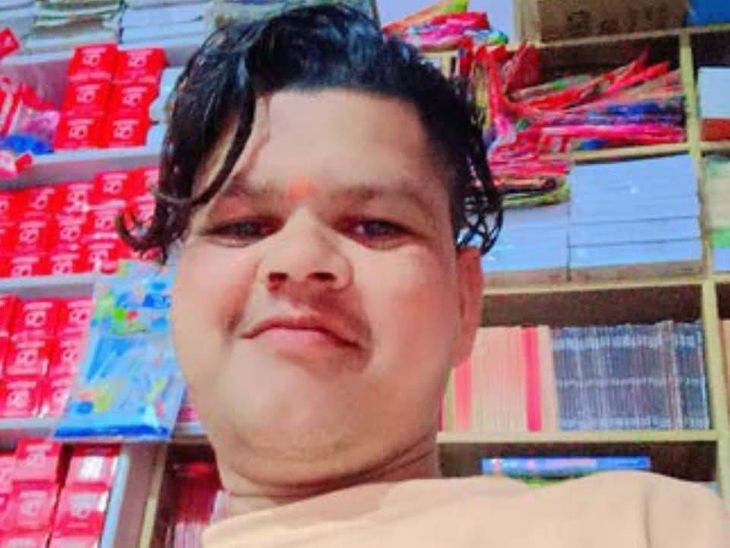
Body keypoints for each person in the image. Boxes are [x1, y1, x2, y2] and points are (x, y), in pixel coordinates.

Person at [122, 5, 730, 547]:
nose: (300, 260)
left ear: (465, 301)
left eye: (376, 226)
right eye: (244, 227)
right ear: (173, 291)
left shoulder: (650, 529)